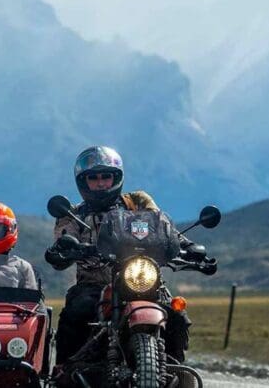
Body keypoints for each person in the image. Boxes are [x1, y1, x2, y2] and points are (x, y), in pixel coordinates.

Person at [45, 145, 192, 364]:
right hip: (95, 285)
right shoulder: (74, 214)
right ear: (83, 182)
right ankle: (65, 374)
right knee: (75, 312)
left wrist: (186, 246)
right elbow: (64, 238)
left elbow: (162, 226)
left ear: (117, 178)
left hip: (144, 281)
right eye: (93, 178)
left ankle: (177, 373)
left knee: (177, 315)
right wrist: (65, 248)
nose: (101, 182)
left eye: (107, 176)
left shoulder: (137, 202)